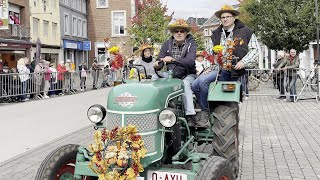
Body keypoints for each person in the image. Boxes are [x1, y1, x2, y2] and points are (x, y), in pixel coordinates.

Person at [192, 4, 259, 126]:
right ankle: (207, 106)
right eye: (223, 17)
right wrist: (208, 66)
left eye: (228, 16)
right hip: (217, 68)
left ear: (234, 18)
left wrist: (244, 62)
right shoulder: (216, 34)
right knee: (194, 84)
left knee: (202, 82)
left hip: (232, 71)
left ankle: (205, 112)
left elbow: (255, 50)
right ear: (220, 19)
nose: (225, 19)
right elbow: (208, 53)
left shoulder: (246, 31)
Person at [154, 19, 198, 126]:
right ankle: (153, 109)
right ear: (173, 33)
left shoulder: (191, 44)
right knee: (153, 79)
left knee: (185, 84)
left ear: (186, 33)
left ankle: (190, 115)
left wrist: (173, 60)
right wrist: (158, 63)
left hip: (187, 75)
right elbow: (160, 58)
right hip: (170, 74)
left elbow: (190, 60)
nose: (179, 33)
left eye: (182, 31)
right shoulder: (166, 44)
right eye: (176, 31)